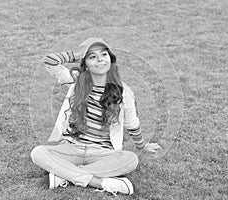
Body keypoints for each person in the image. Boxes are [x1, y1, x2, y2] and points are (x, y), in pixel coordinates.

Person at [31, 37, 161, 196]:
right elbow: (50, 61)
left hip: (102, 153)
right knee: (38, 152)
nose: (100, 59)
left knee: (131, 159)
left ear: (110, 59)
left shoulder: (123, 92)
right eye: (92, 56)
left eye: (104, 55)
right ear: (85, 63)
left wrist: (142, 146)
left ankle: (64, 175)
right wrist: (79, 54)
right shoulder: (77, 80)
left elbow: (132, 124)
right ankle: (99, 182)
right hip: (72, 147)